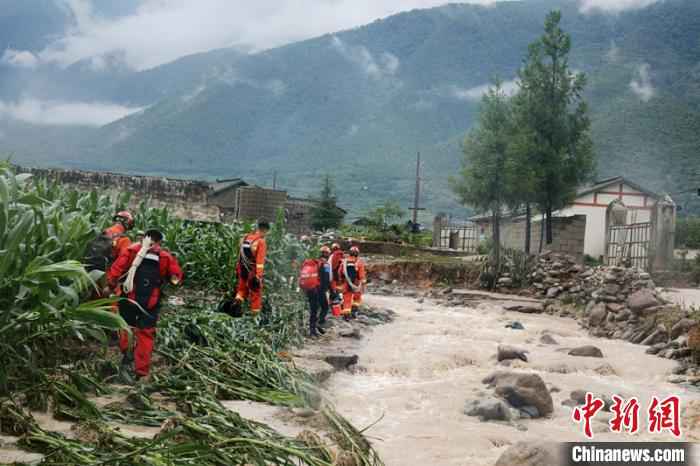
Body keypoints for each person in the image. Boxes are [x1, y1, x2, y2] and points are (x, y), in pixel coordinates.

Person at [108, 229, 183, 383]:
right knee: (146, 334)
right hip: (151, 301)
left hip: (129, 297)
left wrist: (110, 285)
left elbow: (116, 270)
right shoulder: (165, 257)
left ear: (144, 238)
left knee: (125, 326)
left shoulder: (132, 251)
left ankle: (126, 355)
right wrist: (171, 281)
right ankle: (141, 371)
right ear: (160, 241)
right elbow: (176, 277)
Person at [233, 219, 270, 316]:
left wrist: (238, 269)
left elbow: (239, 255)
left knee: (241, 290)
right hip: (252, 272)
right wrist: (259, 276)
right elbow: (260, 262)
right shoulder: (261, 242)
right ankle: (254, 317)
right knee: (256, 293)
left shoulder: (246, 237)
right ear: (265, 230)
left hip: (242, 269)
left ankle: (236, 305)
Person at [299, 246, 332, 337]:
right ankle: (315, 327)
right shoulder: (325, 264)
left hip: (309, 288)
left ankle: (313, 328)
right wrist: (331, 291)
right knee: (323, 307)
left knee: (313, 308)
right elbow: (326, 279)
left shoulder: (312, 262)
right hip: (318, 289)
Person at [341, 246, 366, 319]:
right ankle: (354, 312)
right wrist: (363, 284)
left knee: (347, 299)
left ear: (350, 253)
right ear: (357, 254)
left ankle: (346, 315)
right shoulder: (359, 262)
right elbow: (362, 275)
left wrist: (341, 282)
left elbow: (340, 272)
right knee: (357, 298)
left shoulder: (344, 261)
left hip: (346, 283)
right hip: (357, 283)